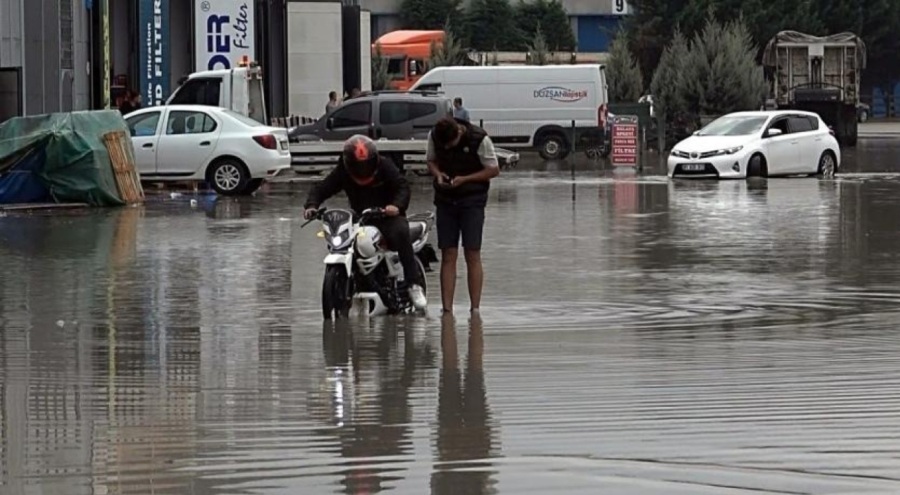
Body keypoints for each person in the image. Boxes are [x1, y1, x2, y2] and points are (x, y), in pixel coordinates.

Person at [304, 135, 427, 310]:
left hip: (387, 216)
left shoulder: (385, 165)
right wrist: (311, 205)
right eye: (357, 165)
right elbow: (323, 188)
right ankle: (354, 280)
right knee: (344, 241)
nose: (362, 169)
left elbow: (402, 186)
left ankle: (414, 285)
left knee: (400, 232)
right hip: (360, 218)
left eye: (365, 164)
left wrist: (396, 206)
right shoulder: (343, 171)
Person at [426, 117, 500, 314]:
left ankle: (475, 309)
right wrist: (438, 174)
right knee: (448, 254)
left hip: (472, 201)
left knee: (472, 253)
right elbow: (431, 161)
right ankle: (447, 310)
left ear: (459, 133)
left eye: (451, 144)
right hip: (445, 200)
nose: (448, 148)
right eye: (445, 146)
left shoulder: (479, 139)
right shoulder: (435, 136)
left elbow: (493, 169)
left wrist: (466, 179)